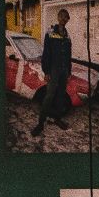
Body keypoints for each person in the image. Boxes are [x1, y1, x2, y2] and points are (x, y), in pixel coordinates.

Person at [31, 8, 73, 137]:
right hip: (53, 69)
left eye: (66, 17)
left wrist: (69, 70)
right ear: (58, 17)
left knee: (60, 95)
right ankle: (40, 124)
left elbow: (69, 54)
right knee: (49, 96)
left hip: (64, 70)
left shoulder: (67, 35)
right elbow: (46, 54)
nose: (64, 19)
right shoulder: (50, 33)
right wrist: (46, 71)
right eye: (62, 16)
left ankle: (57, 118)